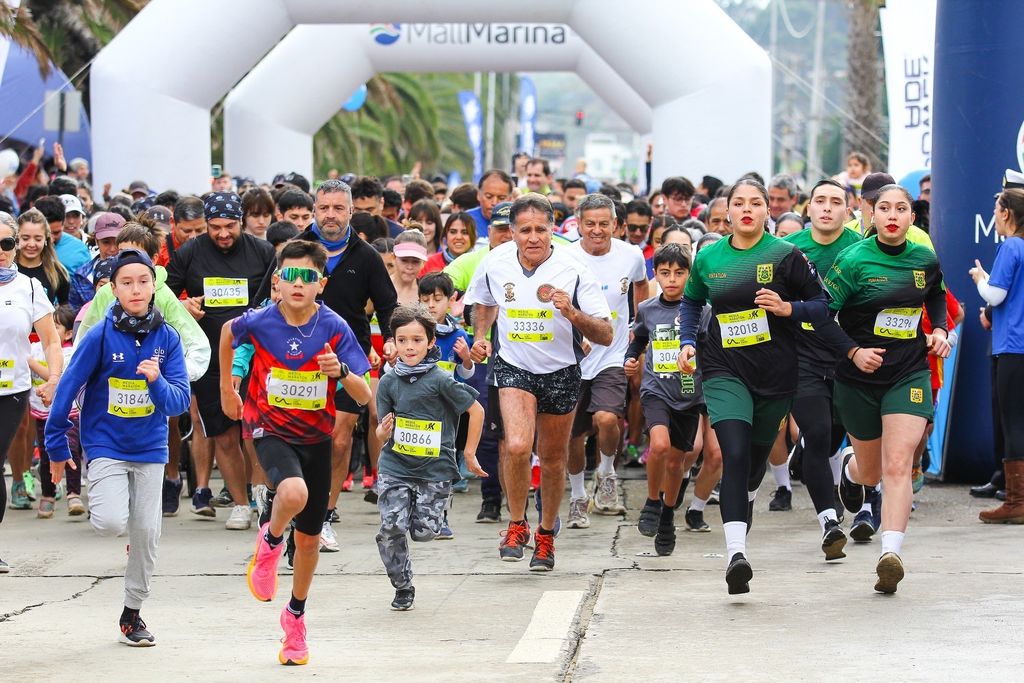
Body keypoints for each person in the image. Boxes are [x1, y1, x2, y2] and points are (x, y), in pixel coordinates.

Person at [677, 179, 833, 594]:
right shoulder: (709, 258)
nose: (747, 209)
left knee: (755, 461)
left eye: (756, 203)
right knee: (735, 451)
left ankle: (745, 499)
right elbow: (692, 301)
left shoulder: (786, 255)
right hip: (724, 369)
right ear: (725, 211)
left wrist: (788, 308)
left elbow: (823, 305)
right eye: (738, 203)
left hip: (776, 374)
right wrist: (688, 341)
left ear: (768, 210)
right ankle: (735, 555)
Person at [221, 239, 370, 665]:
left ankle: (295, 620)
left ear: (321, 284)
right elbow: (229, 333)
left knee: (308, 544)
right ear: (277, 282)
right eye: (289, 275)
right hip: (268, 428)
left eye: (308, 276)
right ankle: (268, 545)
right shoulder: (262, 321)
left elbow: (362, 391)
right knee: (292, 494)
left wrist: (340, 372)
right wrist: (228, 390)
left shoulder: (335, 327)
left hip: (316, 438)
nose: (298, 283)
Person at [45, 248, 190, 645]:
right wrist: (57, 444)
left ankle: (132, 613)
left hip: (150, 448)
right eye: (126, 283)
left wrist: (156, 382)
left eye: (143, 281)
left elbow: (178, 401)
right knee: (110, 523)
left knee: (147, 536)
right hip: (105, 442)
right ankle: (123, 515)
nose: (136, 289)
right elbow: (68, 386)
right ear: (113, 289)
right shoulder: (100, 334)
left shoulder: (169, 338)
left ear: (154, 285)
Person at [465, 194, 612, 571]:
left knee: (551, 458)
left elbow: (606, 334)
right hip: (514, 366)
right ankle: (516, 523)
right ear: (511, 232)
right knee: (515, 446)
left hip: (562, 370)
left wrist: (572, 313)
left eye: (541, 229)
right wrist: (481, 336)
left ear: (553, 230)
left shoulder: (574, 266)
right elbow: (483, 302)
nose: (533, 237)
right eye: (524, 230)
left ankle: (546, 534)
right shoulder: (494, 262)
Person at [829, 185, 949, 594]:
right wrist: (853, 351)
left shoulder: (924, 259)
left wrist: (940, 331)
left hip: (908, 373)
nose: (893, 215)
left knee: (898, 463)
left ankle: (890, 554)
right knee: (872, 469)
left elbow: (936, 297)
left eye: (902, 208)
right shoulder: (853, 260)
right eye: (884, 208)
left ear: (912, 218)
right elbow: (823, 317)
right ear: (871, 215)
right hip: (858, 377)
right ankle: (850, 469)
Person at [272, 179, 398, 551]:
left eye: (338, 208)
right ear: (314, 210)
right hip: (295, 356)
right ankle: (284, 504)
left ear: (350, 212)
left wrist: (391, 337)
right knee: (295, 437)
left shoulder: (365, 256)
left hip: (348, 355)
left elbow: (389, 304)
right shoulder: (295, 252)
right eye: (324, 208)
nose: (330, 215)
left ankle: (323, 517)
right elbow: (268, 295)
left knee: (340, 438)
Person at [79, 220, 212, 516]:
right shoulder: (105, 295)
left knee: (169, 431)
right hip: (111, 399)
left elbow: (196, 345)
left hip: (152, 399)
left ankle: (171, 480)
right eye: (122, 256)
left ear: (153, 261)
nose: (129, 264)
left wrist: (172, 378)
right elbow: (83, 341)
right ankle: (110, 496)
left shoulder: (163, 296)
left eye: (137, 256)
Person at [166, 191, 276, 529]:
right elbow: (163, 294)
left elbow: (276, 294)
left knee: (258, 432)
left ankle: (262, 497)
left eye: (230, 226)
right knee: (225, 435)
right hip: (211, 358)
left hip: (258, 356)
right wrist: (182, 306)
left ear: (241, 221)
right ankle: (240, 503)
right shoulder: (189, 253)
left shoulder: (263, 252)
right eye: (215, 227)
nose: (223, 234)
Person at [374, 304, 485, 609]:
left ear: (431, 342)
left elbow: (476, 410)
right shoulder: (388, 382)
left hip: (435, 471)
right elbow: (378, 434)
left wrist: (469, 453)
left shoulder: (440, 380)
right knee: (391, 528)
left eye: (417, 340)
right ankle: (402, 585)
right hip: (396, 466)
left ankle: (428, 511)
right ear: (394, 343)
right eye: (402, 340)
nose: (409, 347)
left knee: (423, 533)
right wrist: (383, 432)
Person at [783, 179, 865, 552]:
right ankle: (829, 522)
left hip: (851, 355)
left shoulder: (861, 249)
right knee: (817, 436)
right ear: (809, 208)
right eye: (820, 201)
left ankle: (851, 480)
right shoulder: (788, 250)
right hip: (804, 357)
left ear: (849, 211)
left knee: (843, 436)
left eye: (836, 202)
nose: (828, 208)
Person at [567, 194, 648, 525]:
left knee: (606, 419)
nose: (597, 231)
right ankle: (576, 496)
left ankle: (606, 473)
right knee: (572, 434)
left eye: (604, 224)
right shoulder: (564, 256)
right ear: (579, 225)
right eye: (590, 224)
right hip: (571, 357)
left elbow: (641, 286)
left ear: (616, 225)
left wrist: (636, 325)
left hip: (612, 353)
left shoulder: (631, 255)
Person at [625, 244, 708, 554]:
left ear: (690, 274)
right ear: (655, 275)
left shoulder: (702, 310)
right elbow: (640, 338)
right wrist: (631, 358)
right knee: (658, 446)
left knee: (676, 463)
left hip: (688, 394)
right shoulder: (647, 308)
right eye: (664, 273)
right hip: (656, 389)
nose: (672, 279)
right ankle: (651, 501)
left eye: (679, 273)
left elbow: (710, 349)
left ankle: (668, 515)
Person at [444, 203, 515, 523]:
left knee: (518, 437)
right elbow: (439, 288)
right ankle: (490, 500)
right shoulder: (475, 261)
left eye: (510, 228)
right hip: (483, 355)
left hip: (524, 357)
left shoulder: (543, 262)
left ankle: (520, 506)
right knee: (488, 430)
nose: (505, 235)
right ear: (489, 232)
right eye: (499, 228)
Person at [0, 217, 63, 569]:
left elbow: (52, 340)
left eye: (7, 244)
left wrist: (53, 378)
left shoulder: (28, 287)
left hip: (11, 390)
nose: (1, 252)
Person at [970, 186, 1024, 523]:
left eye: (996, 210)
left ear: (1005, 213)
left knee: (1013, 421)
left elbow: (995, 294)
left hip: (1014, 346)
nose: (994, 216)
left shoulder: (1011, 246)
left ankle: (1017, 502)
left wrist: (979, 277)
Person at [29, 305, 84, 518]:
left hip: (68, 414)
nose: (50, 330)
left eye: (57, 326)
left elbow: (57, 378)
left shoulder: (70, 352)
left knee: (71, 450)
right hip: (41, 412)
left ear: (69, 333)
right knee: (45, 454)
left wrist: (31, 363)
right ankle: (48, 495)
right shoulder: (34, 348)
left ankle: (73, 493)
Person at [69, 212, 125, 311]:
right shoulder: (81, 276)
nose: (112, 249)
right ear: (96, 241)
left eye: (117, 242)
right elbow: (73, 313)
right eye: (106, 242)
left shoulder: (137, 270)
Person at [16, 208, 70, 305]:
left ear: (46, 239)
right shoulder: (8, 269)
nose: (31, 244)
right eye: (25, 238)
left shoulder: (57, 271)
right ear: (17, 238)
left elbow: (66, 308)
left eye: (38, 239)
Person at [35, 195, 90, 274]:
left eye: (56, 232)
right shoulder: (22, 248)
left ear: (63, 223)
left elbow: (86, 284)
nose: (51, 239)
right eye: (46, 233)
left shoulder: (79, 249)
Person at [155, 196, 207, 268]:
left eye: (199, 230)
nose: (193, 236)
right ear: (172, 222)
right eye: (187, 231)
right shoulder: (159, 252)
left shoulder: (218, 246)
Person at [466, 170, 514, 239]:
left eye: (501, 198)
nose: (494, 202)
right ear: (478, 195)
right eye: (489, 196)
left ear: (510, 198)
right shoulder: (465, 221)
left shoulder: (517, 221)